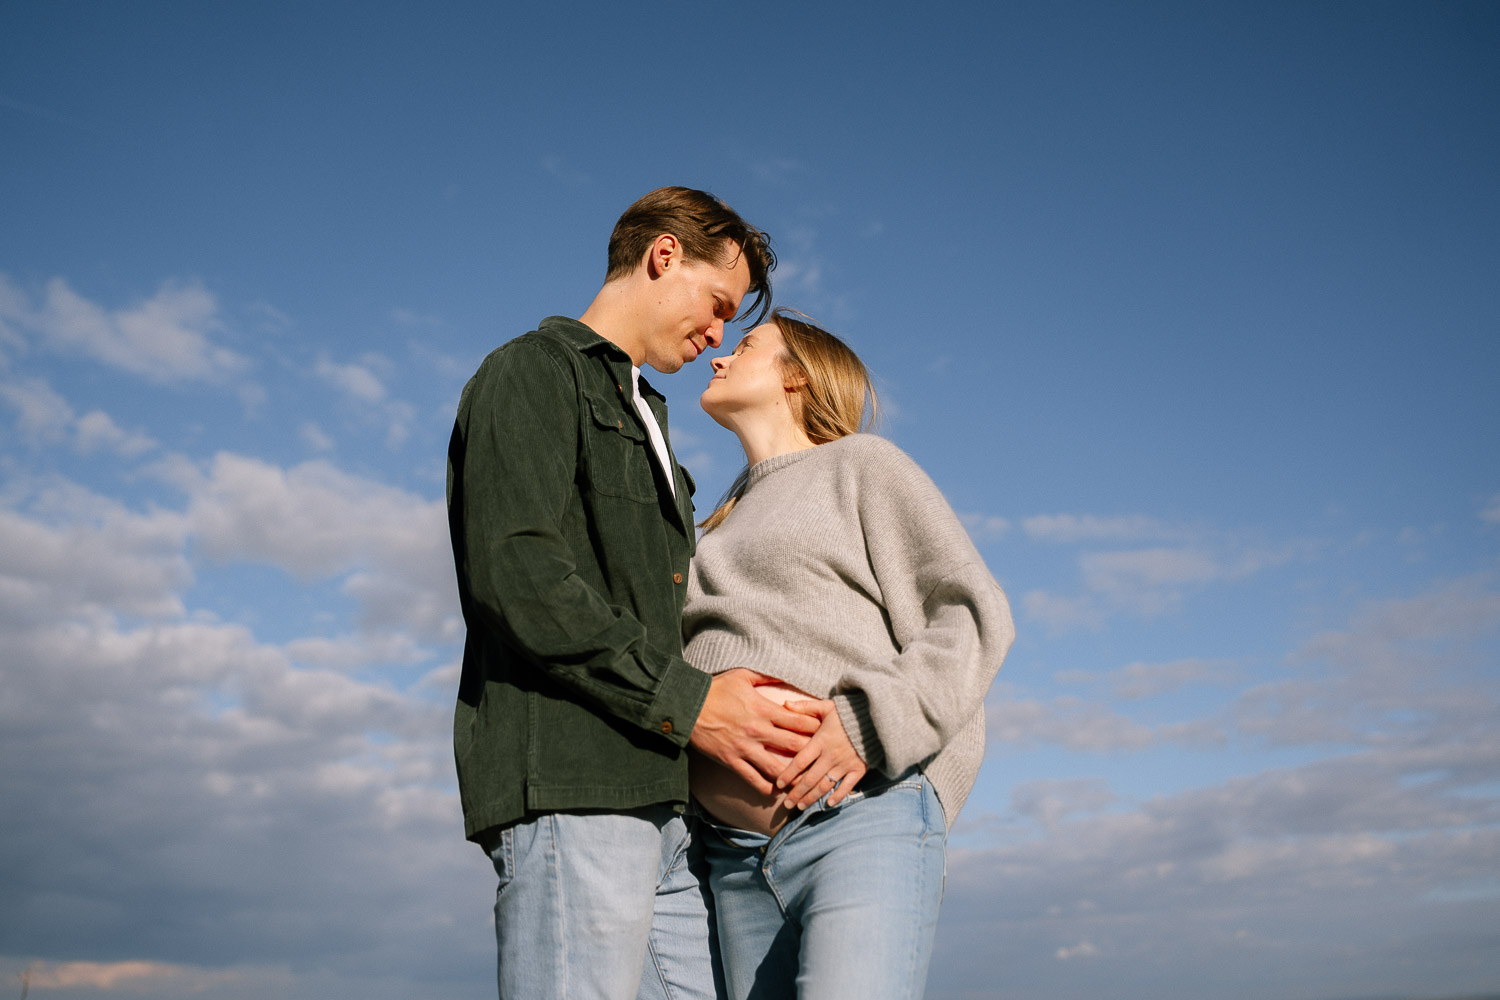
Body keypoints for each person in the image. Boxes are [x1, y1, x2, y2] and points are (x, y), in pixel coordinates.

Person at [446, 187, 813, 1000]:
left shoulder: (650, 420)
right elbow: (519, 575)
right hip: (578, 788)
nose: (720, 334)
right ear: (663, 255)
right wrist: (694, 703)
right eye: (718, 304)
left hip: (668, 804)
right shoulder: (533, 374)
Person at [682, 309, 1015, 1000]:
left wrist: (868, 723)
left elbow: (972, 612)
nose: (717, 357)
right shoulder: (709, 522)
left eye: (745, 346)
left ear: (797, 377)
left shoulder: (861, 464)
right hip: (733, 862)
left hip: (858, 821)